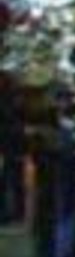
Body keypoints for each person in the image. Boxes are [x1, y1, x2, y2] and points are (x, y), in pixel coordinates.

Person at [26, 79, 75, 257]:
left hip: (54, 185)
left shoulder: (52, 126)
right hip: (59, 184)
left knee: (51, 229)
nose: (65, 104)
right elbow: (68, 156)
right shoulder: (55, 129)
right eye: (64, 99)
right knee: (60, 228)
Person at [0, 72, 26, 224]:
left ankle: (11, 214)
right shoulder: (17, 100)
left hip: (10, 147)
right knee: (14, 181)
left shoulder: (12, 101)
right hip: (14, 147)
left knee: (9, 181)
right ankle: (16, 213)